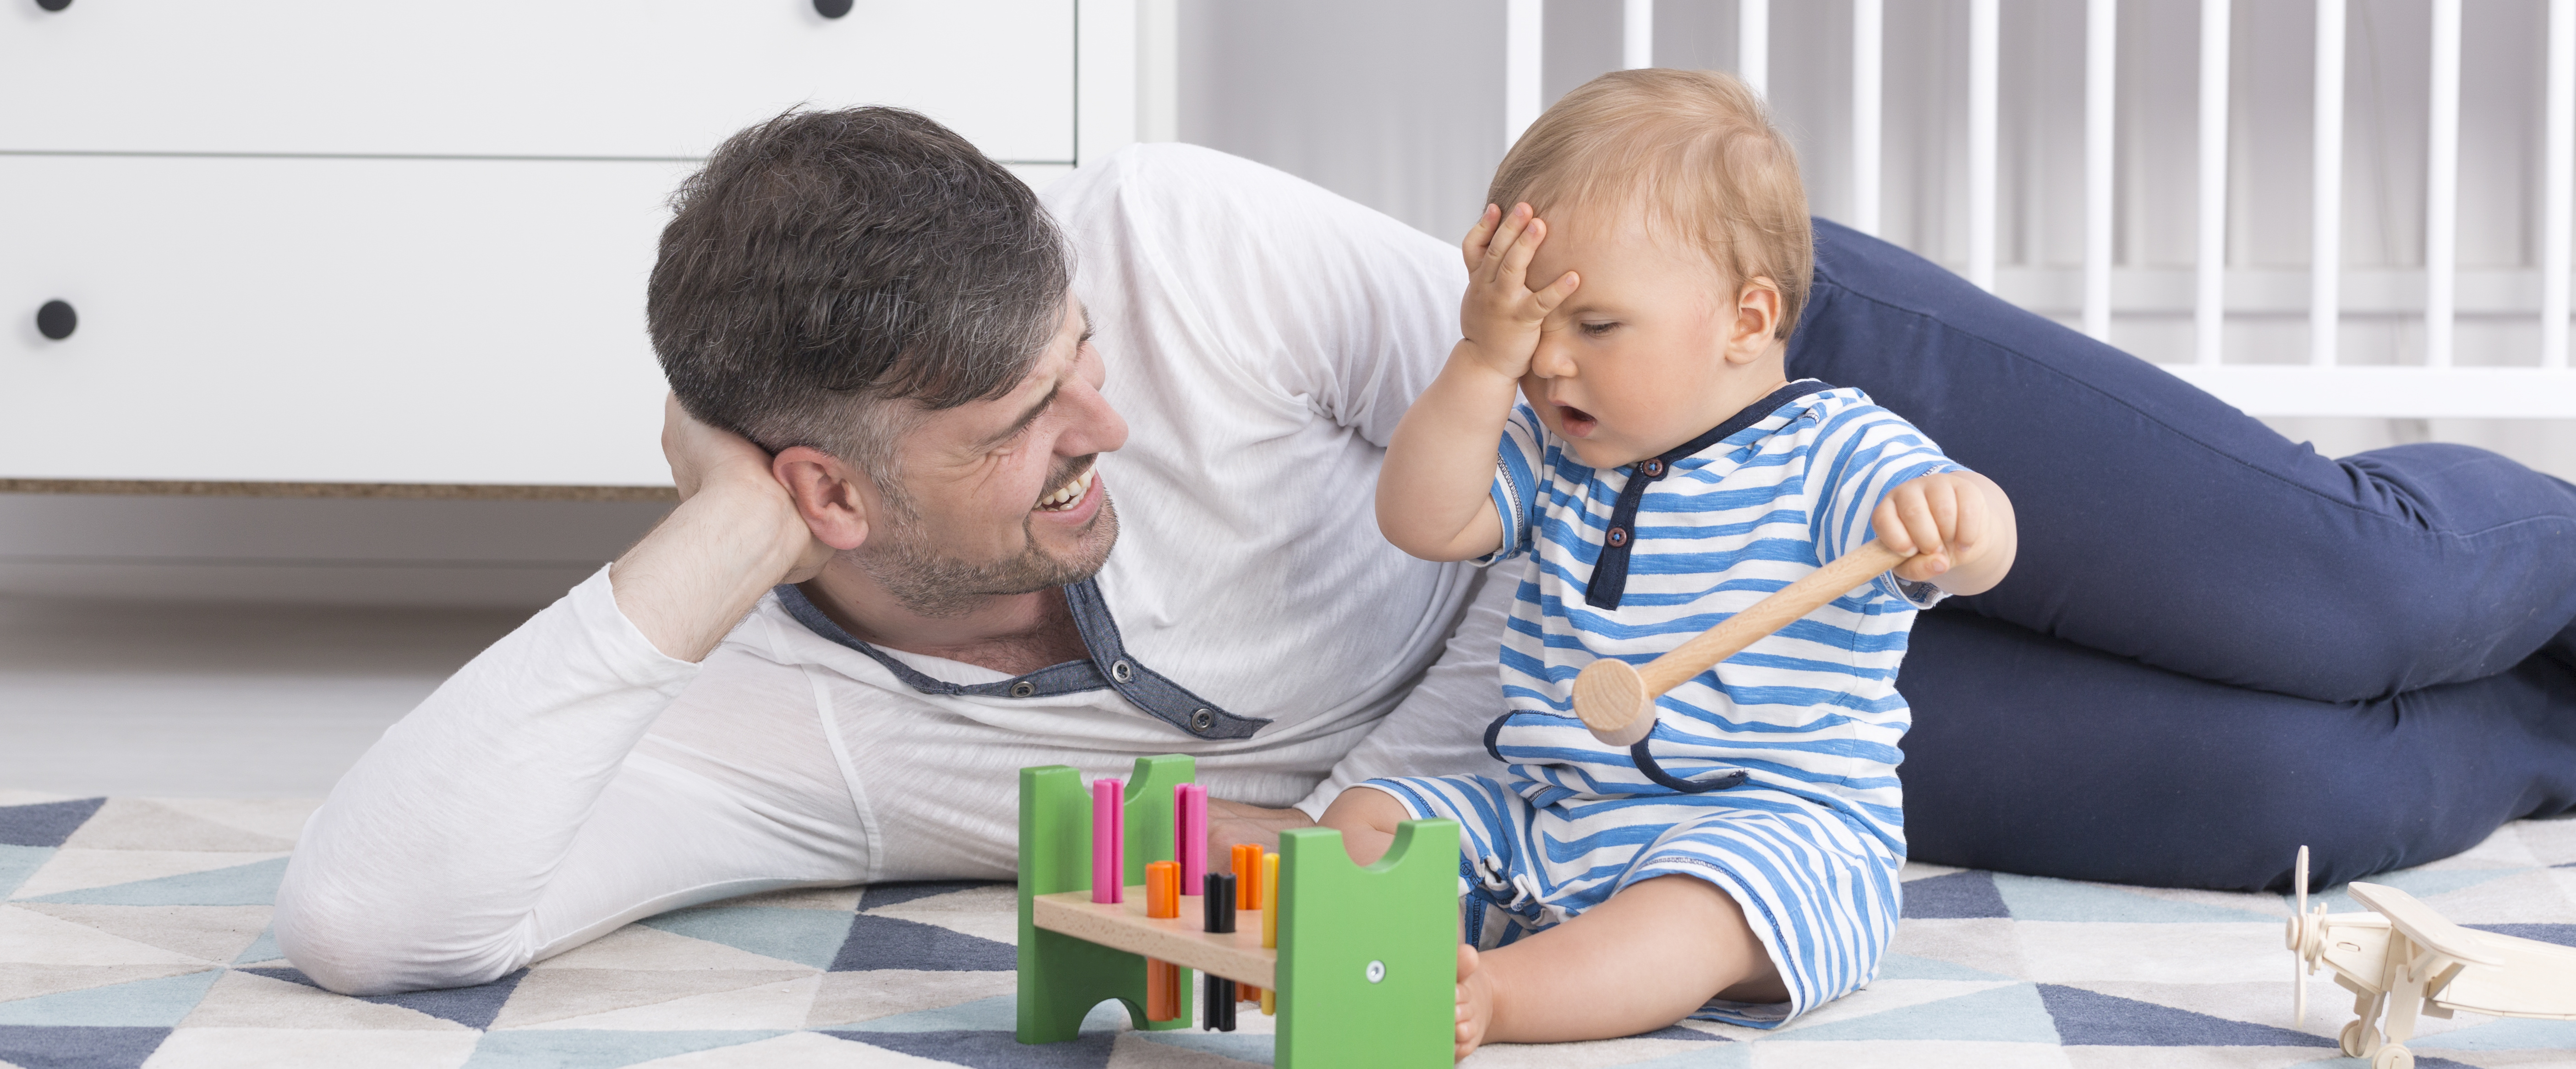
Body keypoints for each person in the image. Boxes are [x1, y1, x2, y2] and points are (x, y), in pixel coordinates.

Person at [273, 102, 2576, 1001]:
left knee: (2350, 601)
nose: (1106, 417)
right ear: (824, 492)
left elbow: (1546, 393)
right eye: (1020, 424)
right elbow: (378, 910)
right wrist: (699, 528)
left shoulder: (1182, 254)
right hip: (1666, 743)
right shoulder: (776, 713)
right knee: (2338, 792)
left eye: (1077, 354)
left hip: (1710, 388)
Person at [1321, 71, 2016, 1055]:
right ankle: (1407, 950)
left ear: (1745, 319)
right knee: (1366, 818)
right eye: (1532, 326)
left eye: (1594, 325)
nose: (1550, 359)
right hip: (1556, 817)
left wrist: (1962, 519)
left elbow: (1978, 541)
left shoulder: (1830, 449)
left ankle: (1502, 999)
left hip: (1774, 836)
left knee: (1695, 912)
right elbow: (1422, 520)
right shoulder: (1554, 451)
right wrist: (1481, 357)